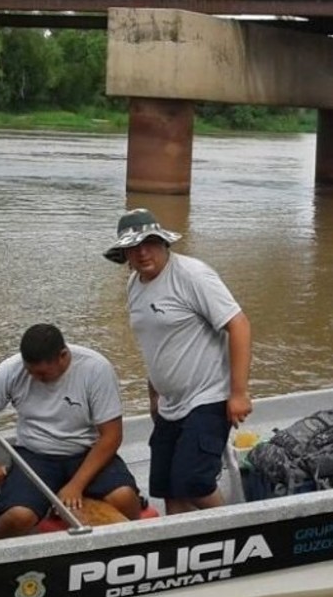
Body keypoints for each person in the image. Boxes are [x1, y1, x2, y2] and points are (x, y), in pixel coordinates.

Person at [104, 208, 252, 515]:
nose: (143, 252)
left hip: (209, 396)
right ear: (125, 253)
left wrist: (238, 393)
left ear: (164, 243)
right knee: (167, 487)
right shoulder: (134, 285)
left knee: (193, 480)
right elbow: (155, 343)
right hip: (169, 405)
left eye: (150, 242)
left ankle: (233, 528)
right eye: (134, 246)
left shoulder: (192, 276)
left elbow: (239, 325)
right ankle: (179, 547)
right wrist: (154, 394)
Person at [0, 323, 143, 539]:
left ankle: (128, 544)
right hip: (34, 456)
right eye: (30, 372)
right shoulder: (11, 370)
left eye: (42, 374)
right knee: (19, 517)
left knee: (124, 498)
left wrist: (76, 485)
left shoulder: (95, 368)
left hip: (85, 453)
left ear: (63, 356)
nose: (35, 378)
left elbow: (112, 435)